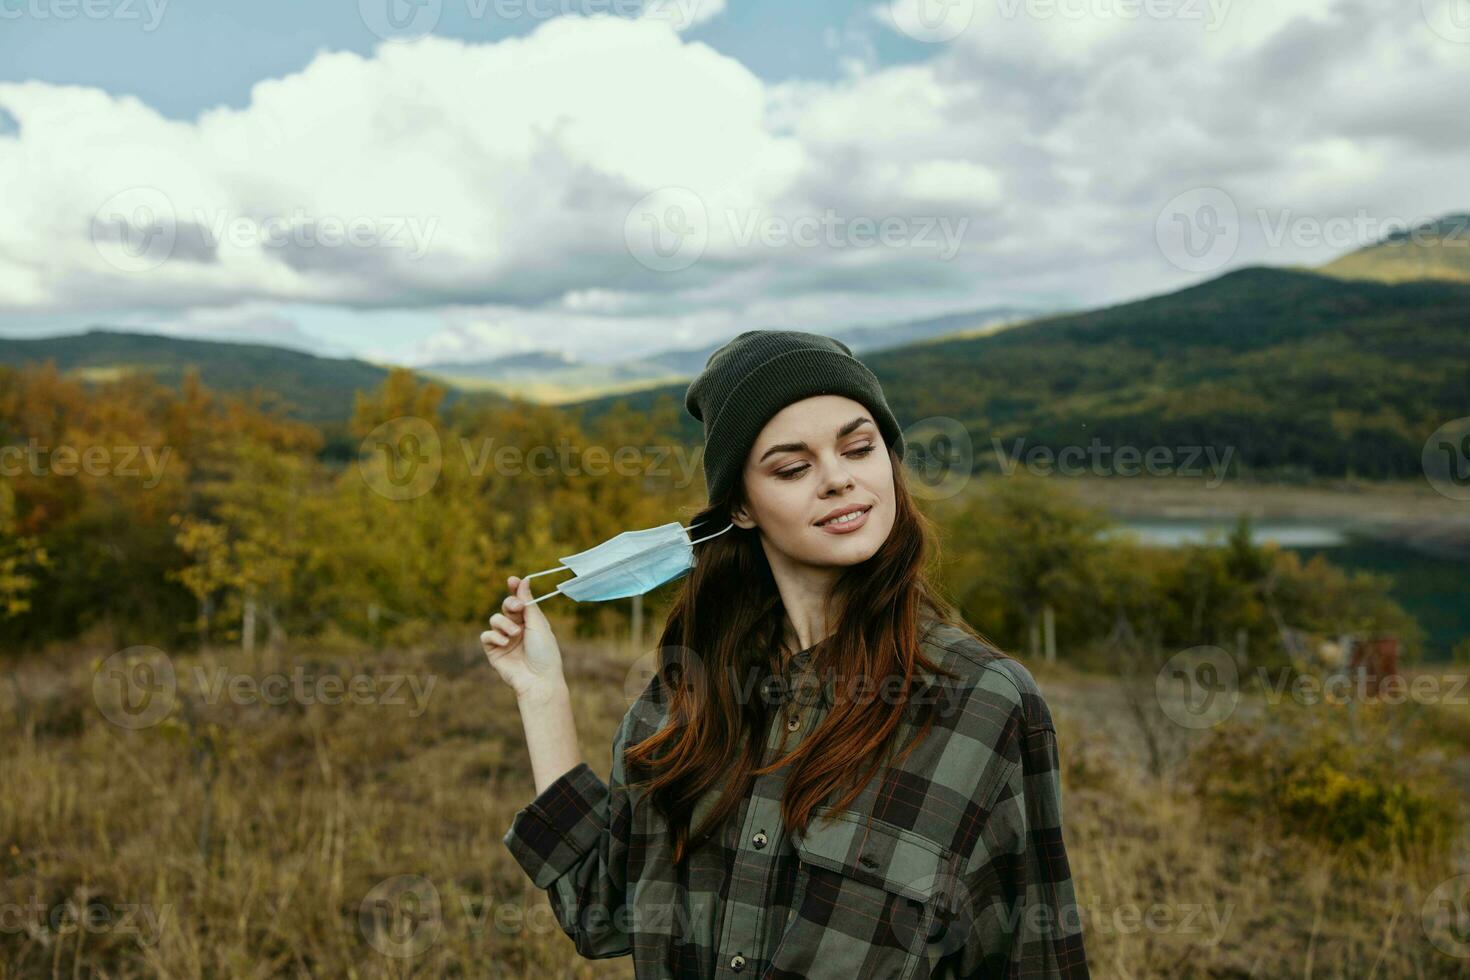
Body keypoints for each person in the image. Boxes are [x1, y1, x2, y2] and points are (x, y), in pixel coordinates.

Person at [482, 330, 1090, 978]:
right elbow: (599, 911)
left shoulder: (983, 703)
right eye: (793, 467)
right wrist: (541, 693)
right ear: (741, 507)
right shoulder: (683, 697)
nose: (838, 480)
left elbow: (1035, 957)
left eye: (860, 448)